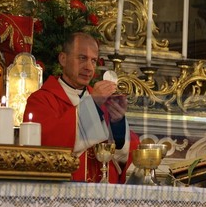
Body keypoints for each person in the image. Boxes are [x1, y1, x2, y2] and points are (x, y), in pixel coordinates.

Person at [23, 32, 139, 183]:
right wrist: (92, 106)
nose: (89, 67)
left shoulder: (102, 101)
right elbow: (48, 147)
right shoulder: (41, 100)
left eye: (94, 61)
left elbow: (123, 155)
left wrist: (118, 122)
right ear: (63, 59)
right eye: (82, 58)